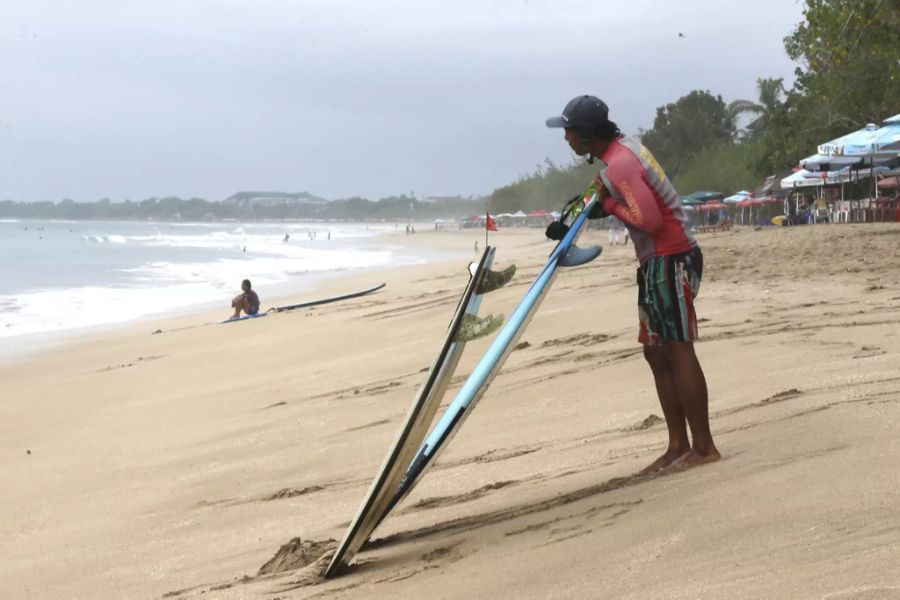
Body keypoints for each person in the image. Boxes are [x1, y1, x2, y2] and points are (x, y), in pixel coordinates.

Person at [546, 95, 720, 473]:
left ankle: (704, 448)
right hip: (655, 262)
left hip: (671, 257)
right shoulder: (620, 155)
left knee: (677, 349)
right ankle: (678, 445)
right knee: (655, 352)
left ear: (587, 135)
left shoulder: (622, 163)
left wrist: (608, 205)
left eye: (569, 132)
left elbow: (650, 219)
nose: (566, 140)